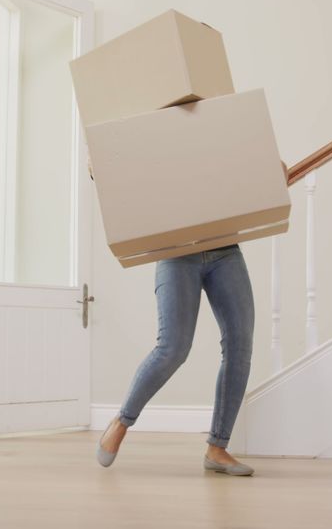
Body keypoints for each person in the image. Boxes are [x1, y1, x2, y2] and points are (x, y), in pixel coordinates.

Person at [91, 160, 288, 477]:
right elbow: (127, 173)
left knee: (240, 345)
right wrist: (96, 167)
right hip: (175, 249)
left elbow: (267, 168)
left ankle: (217, 447)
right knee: (173, 348)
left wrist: (270, 165)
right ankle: (121, 421)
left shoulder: (220, 125)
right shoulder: (161, 133)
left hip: (224, 247)